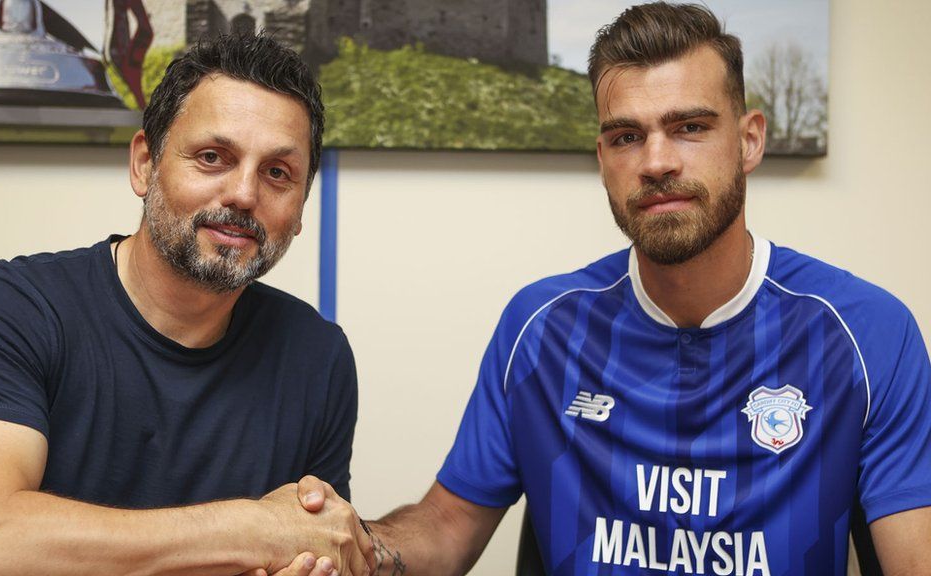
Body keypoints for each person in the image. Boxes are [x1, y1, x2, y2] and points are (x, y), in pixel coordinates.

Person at [290, 3, 931, 575]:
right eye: (627, 136)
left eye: (690, 127)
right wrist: (353, 548)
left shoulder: (868, 333)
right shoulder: (540, 328)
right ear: (602, 159)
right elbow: (447, 526)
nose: (656, 163)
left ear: (749, 140)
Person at [0, 33, 374, 576]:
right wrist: (250, 530)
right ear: (144, 165)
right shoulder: (2, 311)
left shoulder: (316, 355)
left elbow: (318, 543)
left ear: (299, 210)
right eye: (212, 157)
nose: (245, 194)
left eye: (277, 173)